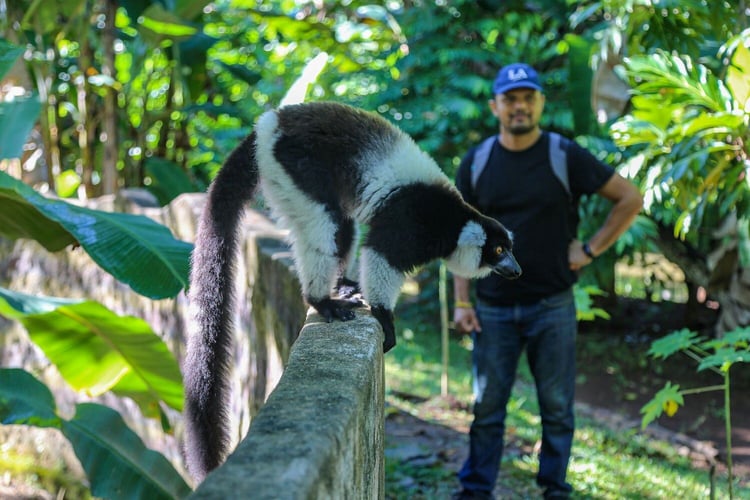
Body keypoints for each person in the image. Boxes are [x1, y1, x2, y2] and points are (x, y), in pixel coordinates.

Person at [451, 63, 643, 499]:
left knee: (556, 408)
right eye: (510, 98)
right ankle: (476, 490)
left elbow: (629, 198)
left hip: (552, 305)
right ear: (495, 105)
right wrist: (463, 302)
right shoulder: (478, 162)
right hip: (494, 308)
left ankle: (554, 488)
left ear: (540, 102)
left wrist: (590, 249)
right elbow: (462, 237)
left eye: (527, 97)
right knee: (486, 408)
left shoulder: (564, 155)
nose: (519, 106)